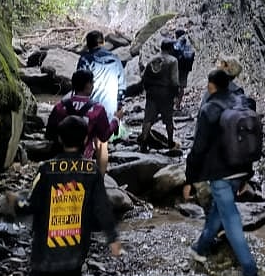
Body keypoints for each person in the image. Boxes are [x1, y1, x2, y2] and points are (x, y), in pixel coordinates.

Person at [26, 115, 121, 276]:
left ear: (60, 139)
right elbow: (102, 207)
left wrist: (16, 207)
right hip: (75, 244)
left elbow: (32, 204)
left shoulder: (46, 169)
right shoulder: (92, 170)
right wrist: (112, 238)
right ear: (86, 140)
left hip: (45, 246)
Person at [182, 68, 261, 276]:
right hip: (241, 169)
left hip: (220, 174)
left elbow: (198, 148)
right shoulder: (243, 102)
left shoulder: (209, 109)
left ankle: (251, 275)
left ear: (211, 86)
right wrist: (248, 174)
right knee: (219, 211)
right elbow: (248, 139)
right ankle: (200, 248)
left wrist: (190, 178)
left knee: (231, 220)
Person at [45, 68, 117, 174]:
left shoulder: (60, 106)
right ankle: (100, 179)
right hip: (84, 158)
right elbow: (104, 136)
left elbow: (49, 134)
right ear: (88, 85)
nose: (93, 86)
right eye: (92, 83)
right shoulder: (97, 109)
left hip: (60, 158)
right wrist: (116, 120)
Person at [76, 30, 126, 172]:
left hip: (89, 105)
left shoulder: (85, 59)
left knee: (85, 141)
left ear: (87, 44)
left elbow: (79, 82)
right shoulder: (115, 59)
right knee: (102, 143)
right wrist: (118, 105)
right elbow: (122, 86)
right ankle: (101, 179)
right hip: (108, 106)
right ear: (103, 43)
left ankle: (83, 175)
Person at [138, 37, 180, 151]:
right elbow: (174, 80)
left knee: (148, 119)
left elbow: (144, 77)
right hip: (166, 94)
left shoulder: (152, 59)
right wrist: (176, 94)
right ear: (171, 48)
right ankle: (170, 142)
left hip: (152, 93)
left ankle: (143, 144)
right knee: (168, 119)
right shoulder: (173, 61)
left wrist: (147, 90)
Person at [173, 28, 196, 113]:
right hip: (186, 68)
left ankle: (175, 104)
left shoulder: (177, 43)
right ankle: (178, 105)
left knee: (175, 86)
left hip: (178, 68)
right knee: (182, 86)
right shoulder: (188, 44)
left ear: (177, 35)